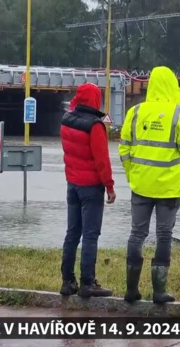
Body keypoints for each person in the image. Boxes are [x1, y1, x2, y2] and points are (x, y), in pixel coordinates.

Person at [118, 66, 180, 304]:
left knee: (136, 234)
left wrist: (133, 175)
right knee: (164, 236)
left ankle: (131, 291)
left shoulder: (135, 111)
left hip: (140, 184)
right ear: (173, 84)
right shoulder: (179, 114)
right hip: (170, 188)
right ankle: (159, 292)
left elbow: (124, 148)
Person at [59, 82, 116, 299]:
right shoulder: (95, 125)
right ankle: (88, 283)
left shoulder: (66, 121)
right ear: (95, 99)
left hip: (72, 184)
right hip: (91, 188)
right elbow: (102, 160)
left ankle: (67, 281)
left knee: (72, 233)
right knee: (91, 235)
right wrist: (109, 186)